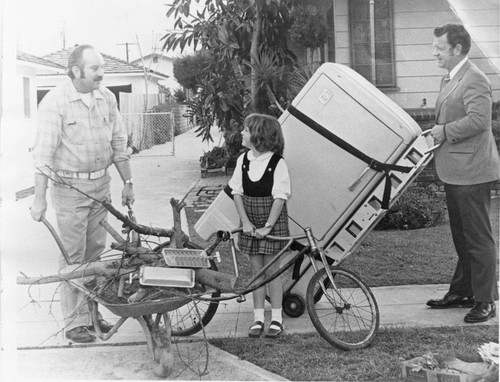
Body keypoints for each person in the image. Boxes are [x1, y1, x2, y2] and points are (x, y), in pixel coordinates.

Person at [30, 44, 135, 343]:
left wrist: (128, 182)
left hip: (101, 186)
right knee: (73, 257)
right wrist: (39, 199)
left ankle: (92, 314)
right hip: (70, 190)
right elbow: (43, 155)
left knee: (95, 256)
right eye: (96, 69)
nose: (102, 74)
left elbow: (119, 142)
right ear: (76, 71)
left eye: (102, 68)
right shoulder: (55, 102)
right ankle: (75, 323)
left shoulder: (107, 98)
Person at [427, 24, 499, 323]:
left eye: (440, 48)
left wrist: (444, 131)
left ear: (457, 49)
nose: (435, 53)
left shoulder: (475, 78)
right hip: (454, 170)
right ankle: (463, 291)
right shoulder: (451, 78)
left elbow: (480, 121)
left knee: (478, 238)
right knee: (461, 235)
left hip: (471, 171)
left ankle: (486, 300)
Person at [228, 113, 291, 338]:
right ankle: (257, 319)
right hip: (250, 222)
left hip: (271, 223)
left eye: (246, 130)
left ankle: (276, 319)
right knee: (256, 272)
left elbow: (280, 197)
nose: (242, 133)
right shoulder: (243, 160)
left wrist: (267, 226)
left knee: (272, 272)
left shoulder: (277, 163)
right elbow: (236, 192)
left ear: (258, 135)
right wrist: (245, 222)